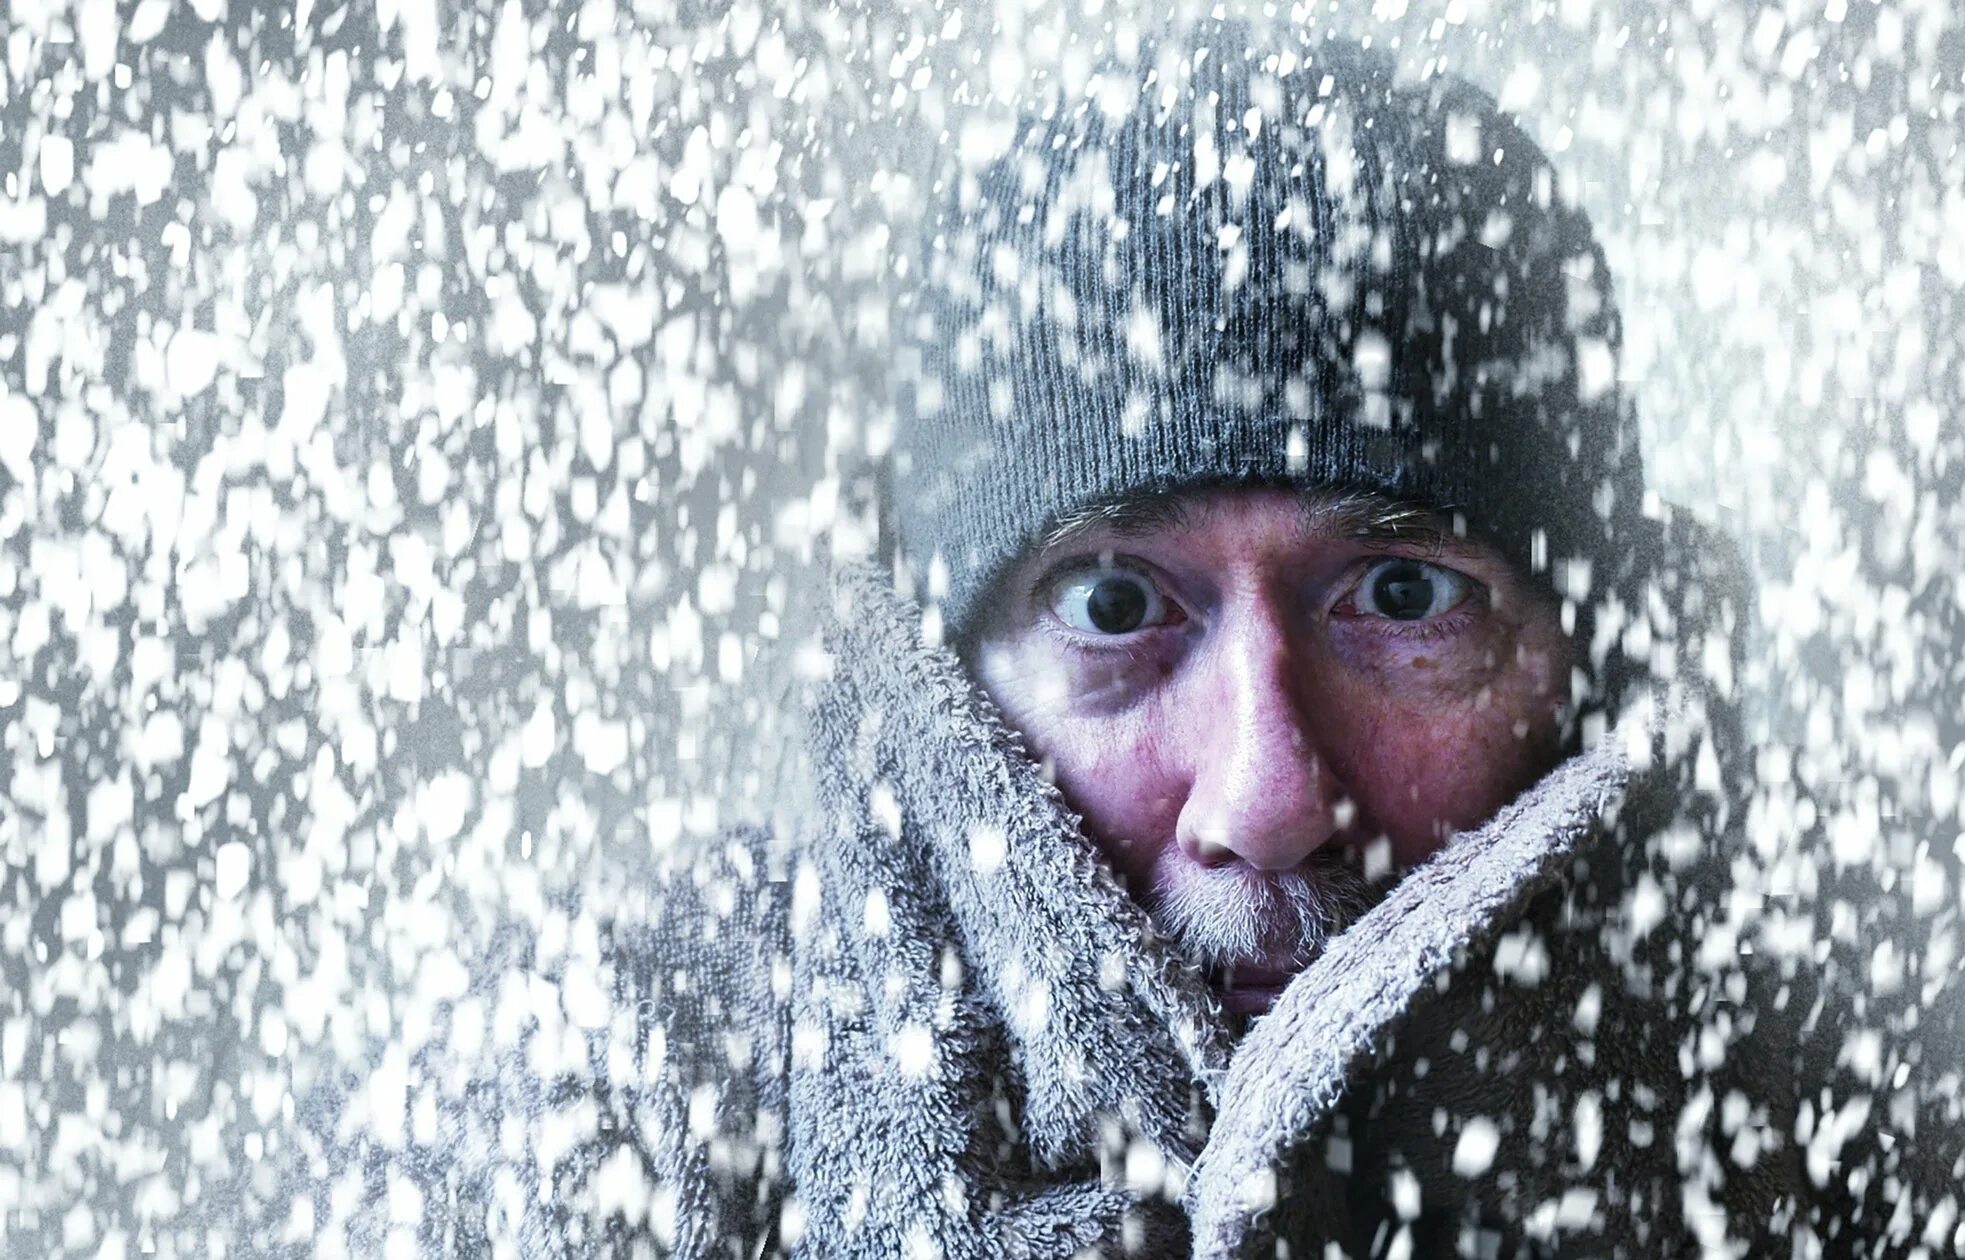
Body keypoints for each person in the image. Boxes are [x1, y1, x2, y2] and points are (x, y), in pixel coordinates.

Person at [379, 18, 1821, 1259]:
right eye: (1118, 607)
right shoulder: (604, 1112)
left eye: (1398, 597)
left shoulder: (1840, 1143)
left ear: (1593, 660)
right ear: (941, 695)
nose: (1266, 800)